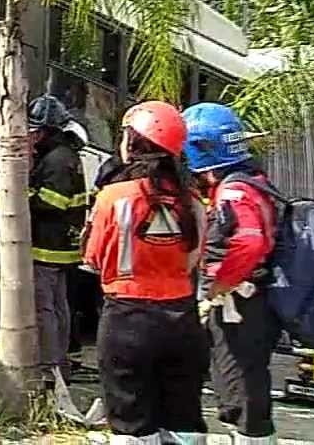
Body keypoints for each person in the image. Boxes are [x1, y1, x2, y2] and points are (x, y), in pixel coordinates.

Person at [83, 101, 208, 442]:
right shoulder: (193, 200)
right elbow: (194, 258)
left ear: (134, 143)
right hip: (183, 319)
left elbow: (93, 258)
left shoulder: (112, 197)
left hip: (127, 318)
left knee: (131, 422)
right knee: (184, 420)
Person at [184, 102, 279, 444]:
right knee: (245, 383)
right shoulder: (253, 180)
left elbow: (248, 244)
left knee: (239, 388)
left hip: (239, 304)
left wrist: (218, 286)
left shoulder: (233, 191)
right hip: (249, 302)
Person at [26, 95, 87, 386]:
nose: (32, 135)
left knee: (45, 308)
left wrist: (21, 193)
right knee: (59, 307)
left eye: (36, 130)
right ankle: (58, 364)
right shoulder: (64, 155)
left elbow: (54, 202)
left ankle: (49, 366)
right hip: (61, 247)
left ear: (49, 130)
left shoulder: (57, 160)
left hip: (48, 247)